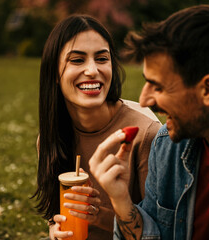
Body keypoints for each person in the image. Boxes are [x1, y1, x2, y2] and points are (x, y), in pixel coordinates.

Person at [89, 4, 209, 240]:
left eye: (159, 86)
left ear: (208, 89)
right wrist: (122, 201)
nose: (144, 99)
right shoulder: (167, 147)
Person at [32, 14, 161, 239]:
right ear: (54, 72)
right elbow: (56, 216)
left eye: (102, 58)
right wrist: (55, 230)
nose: (92, 70)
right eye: (77, 60)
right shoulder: (50, 139)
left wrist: (97, 213)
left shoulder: (145, 135)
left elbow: (159, 231)